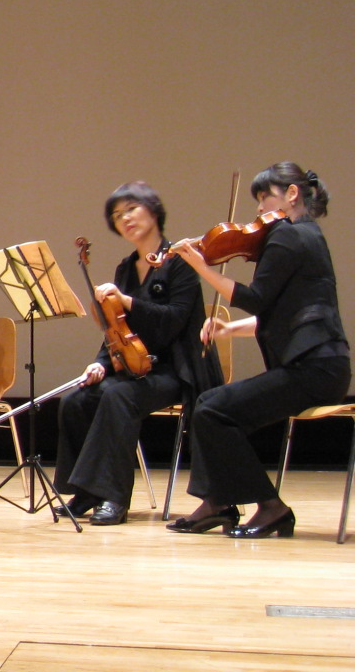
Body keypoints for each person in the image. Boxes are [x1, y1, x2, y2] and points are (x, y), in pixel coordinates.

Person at [170, 163, 349, 538]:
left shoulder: (288, 237)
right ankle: (217, 503)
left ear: (292, 194)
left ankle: (270, 508)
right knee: (209, 405)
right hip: (323, 368)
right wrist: (228, 328)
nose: (258, 211)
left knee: (214, 409)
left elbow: (254, 299)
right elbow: (282, 313)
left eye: (264, 197)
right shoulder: (308, 235)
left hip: (312, 370)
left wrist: (202, 266)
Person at [52, 184, 219, 525]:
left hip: (178, 369)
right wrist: (99, 363)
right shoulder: (126, 269)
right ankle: (85, 490)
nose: (124, 219)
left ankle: (114, 497)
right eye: (117, 215)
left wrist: (127, 300)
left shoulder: (181, 261)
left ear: (153, 210)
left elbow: (172, 322)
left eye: (131, 209)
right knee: (76, 400)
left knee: (118, 396)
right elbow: (117, 330)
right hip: (136, 366)